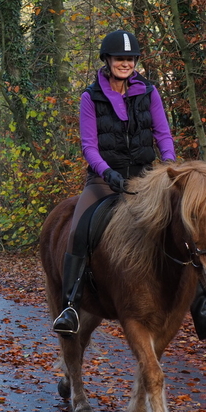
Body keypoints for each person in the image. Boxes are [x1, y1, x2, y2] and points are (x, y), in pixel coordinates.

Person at [52, 30, 178, 336]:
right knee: (80, 228)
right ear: (108, 61)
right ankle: (70, 305)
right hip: (104, 179)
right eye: (119, 58)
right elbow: (89, 145)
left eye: (130, 58)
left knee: (185, 223)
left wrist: (170, 167)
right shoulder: (90, 97)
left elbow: (162, 134)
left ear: (135, 61)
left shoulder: (149, 92)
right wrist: (106, 171)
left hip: (145, 178)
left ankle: (199, 301)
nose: (125, 63)